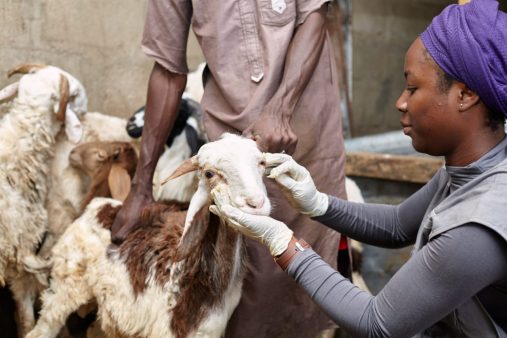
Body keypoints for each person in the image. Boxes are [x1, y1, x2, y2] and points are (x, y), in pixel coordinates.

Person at [210, 0, 507, 337]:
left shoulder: (481, 221)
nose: (401, 102)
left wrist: (281, 241)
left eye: (412, 88)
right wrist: (316, 203)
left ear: (465, 95)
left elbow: (377, 322)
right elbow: (397, 226)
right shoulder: (474, 171)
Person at [111, 0, 350, 337]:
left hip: (305, 131)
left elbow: (313, 15)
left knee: (307, 272)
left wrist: (280, 108)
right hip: (231, 140)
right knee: (240, 276)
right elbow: (167, 70)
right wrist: (140, 187)